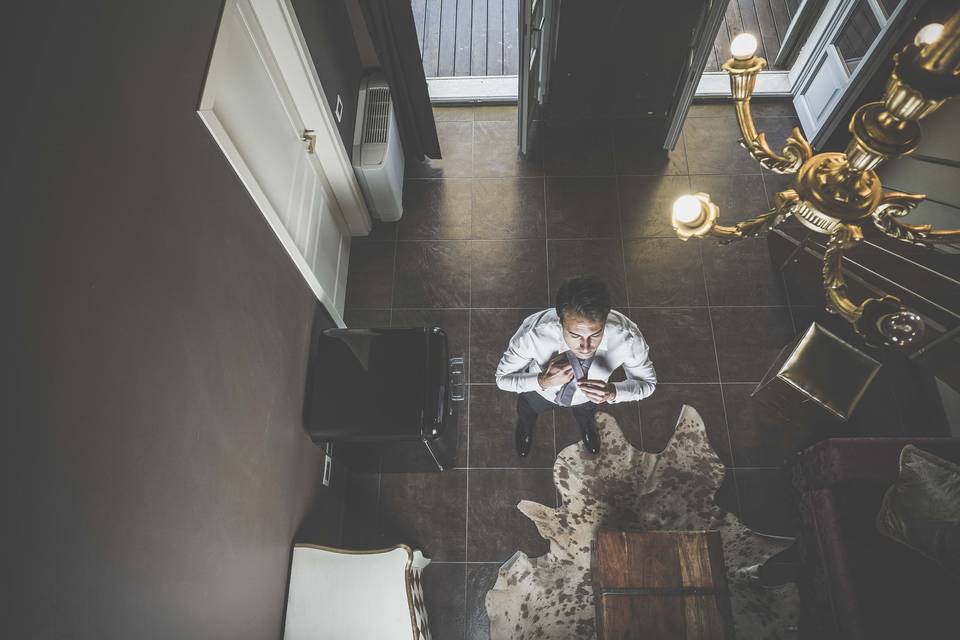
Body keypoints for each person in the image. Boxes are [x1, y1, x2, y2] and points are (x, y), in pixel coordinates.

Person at [495, 275, 657, 456]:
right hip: (539, 391)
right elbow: (502, 379)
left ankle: (587, 428)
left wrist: (612, 392)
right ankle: (525, 428)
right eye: (575, 335)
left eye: (595, 335)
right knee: (527, 412)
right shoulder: (533, 335)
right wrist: (542, 381)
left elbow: (648, 384)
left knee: (586, 416)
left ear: (605, 320)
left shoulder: (627, 338)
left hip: (587, 399)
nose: (586, 347)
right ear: (561, 321)